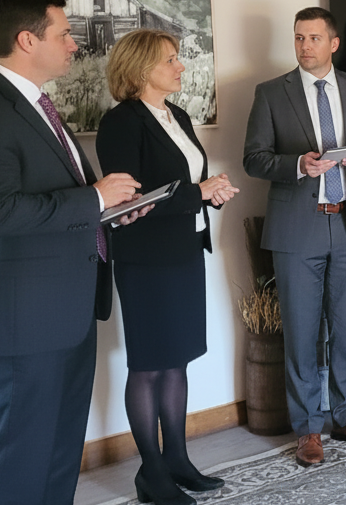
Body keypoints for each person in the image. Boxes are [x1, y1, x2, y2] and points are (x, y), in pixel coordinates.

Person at [0, 0, 147, 505]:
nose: (74, 44)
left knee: (59, 451)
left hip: (69, 309)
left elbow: (61, 203)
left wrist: (109, 210)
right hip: (25, 317)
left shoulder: (38, 107)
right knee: (22, 456)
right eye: (64, 34)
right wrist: (94, 199)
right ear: (27, 40)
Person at [242, 7, 346, 467]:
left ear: (333, 43)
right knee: (302, 333)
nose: (305, 46)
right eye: (298, 38)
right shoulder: (271, 93)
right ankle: (307, 428)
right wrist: (297, 165)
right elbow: (253, 158)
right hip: (297, 230)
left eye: (314, 38)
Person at [96, 30, 239, 505]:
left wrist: (210, 194)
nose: (180, 67)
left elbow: (185, 181)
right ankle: (152, 473)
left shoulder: (176, 114)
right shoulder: (121, 122)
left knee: (177, 359)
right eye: (170, 60)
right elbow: (128, 200)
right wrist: (197, 192)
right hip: (145, 259)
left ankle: (177, 459)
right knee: (149, 365)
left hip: (185, 250)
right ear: (140, 69)